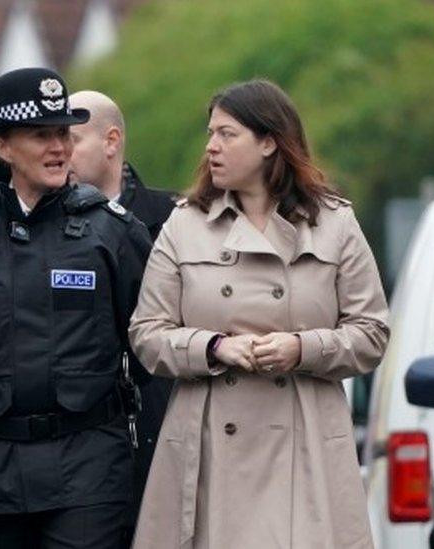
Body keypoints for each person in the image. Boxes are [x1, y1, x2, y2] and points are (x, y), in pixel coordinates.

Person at [128, 79, 389, 548]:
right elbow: (147, 334)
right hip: (211, 442)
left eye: (227, 134)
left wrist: (302, 348)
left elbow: (371, 332)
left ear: (269, 142)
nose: (211, 147)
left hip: (305, 437)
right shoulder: (184, 224)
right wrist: (213, 347)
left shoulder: (335, 223)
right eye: (210, 134)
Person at [0, 67, 152, 549]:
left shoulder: (113, 234)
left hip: (87, 468)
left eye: (64, 133)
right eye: (40, 134)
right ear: (2, 146)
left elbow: (146, 343)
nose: (58, 147)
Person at [67, 89, 176, 521]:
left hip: (161, 424)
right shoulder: (46, 228)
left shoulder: (174, 220)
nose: (59, 151)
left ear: (111, 142)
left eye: (72, 139)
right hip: (83, 441)